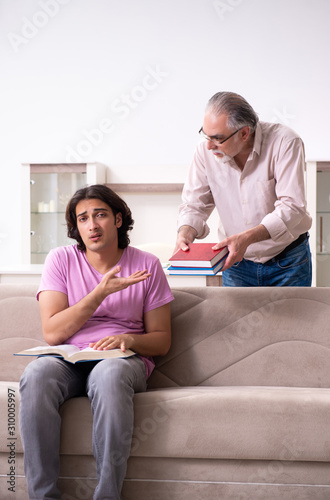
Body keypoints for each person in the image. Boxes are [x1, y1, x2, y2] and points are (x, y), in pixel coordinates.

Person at [19, 184, 174, 500]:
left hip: (121, 357)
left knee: (109, 375)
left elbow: (161, 341)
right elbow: (53, 332)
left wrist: (129, 338)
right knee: (35, 375)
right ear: (76, 227)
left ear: (118, 219)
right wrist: (100, 292)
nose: (92, 225)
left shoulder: (147, 265)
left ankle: (107, 495)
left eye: (100, 214)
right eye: (83, 218)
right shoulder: (60, 260)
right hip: (70, 356)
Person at [175, 91, 312, 287]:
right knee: (237, 319)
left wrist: (247, 238)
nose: (208, 145)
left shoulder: (285, 142)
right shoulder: (204, 152)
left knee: (293, 318)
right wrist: (185, 232)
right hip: (236, 263)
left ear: (244, 133)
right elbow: (194, 204)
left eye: (217, 138)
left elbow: (292, 206)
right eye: (205, 135)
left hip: (287, 260)